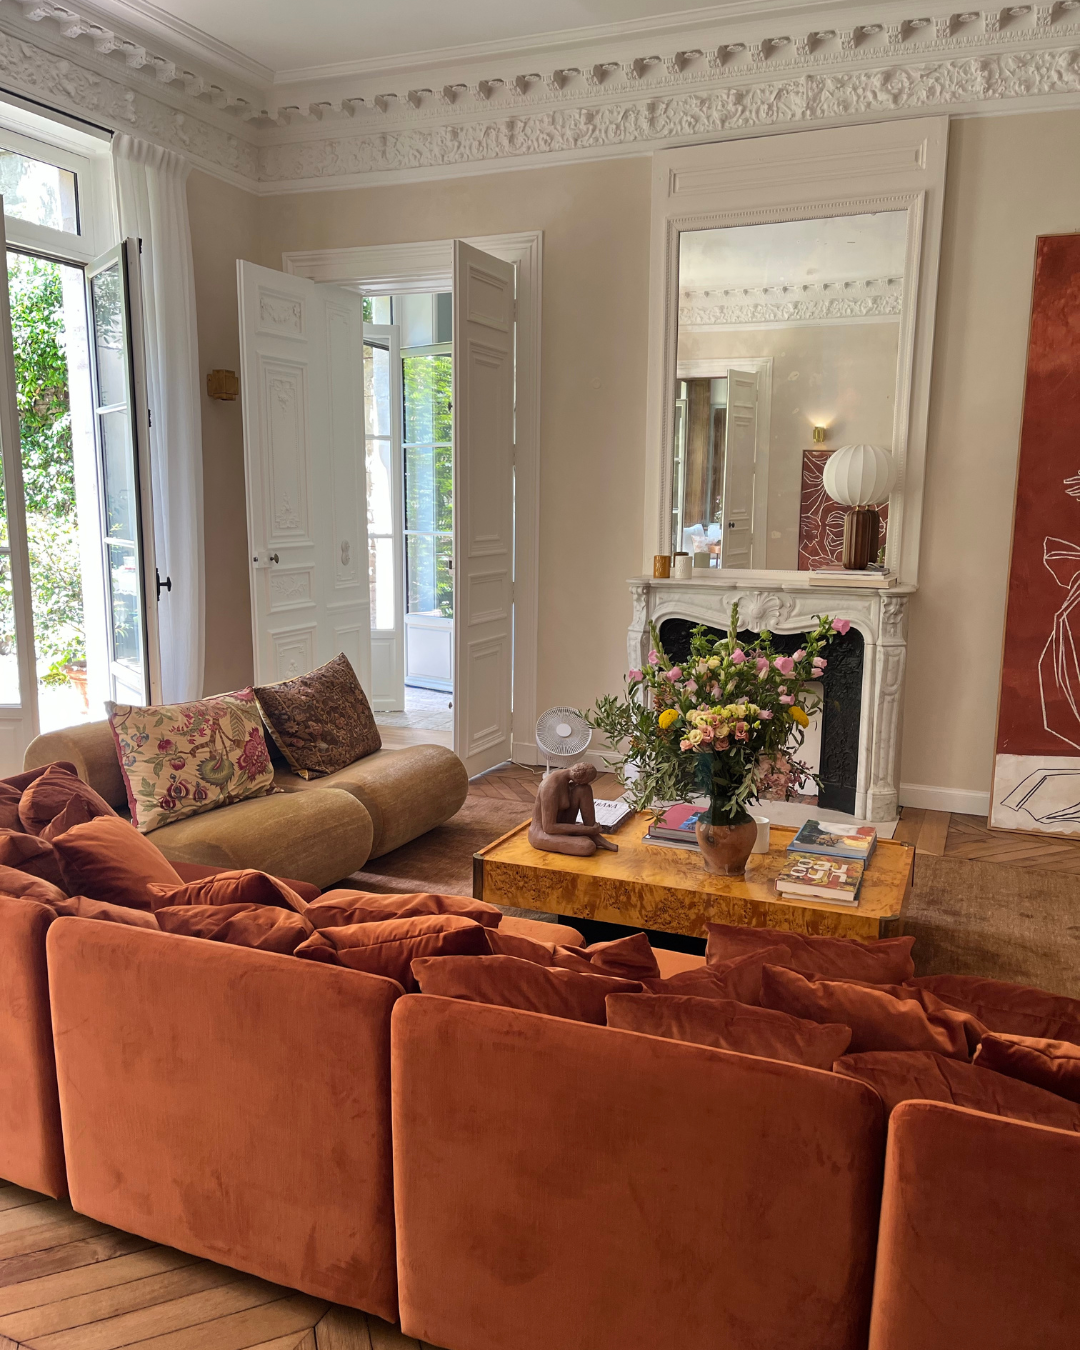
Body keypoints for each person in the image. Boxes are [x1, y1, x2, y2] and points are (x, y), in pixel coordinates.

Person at [528, 762, 618, 856]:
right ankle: (591, 832)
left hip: (560, 824)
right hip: (543, 833)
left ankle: (595, 836)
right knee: (587, 846)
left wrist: (589, 830)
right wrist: (585, 829)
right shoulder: (550, 788)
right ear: (580, 780)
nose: (584, 784)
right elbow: (549, 828)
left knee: (584, 790)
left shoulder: (566, 778)